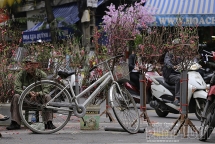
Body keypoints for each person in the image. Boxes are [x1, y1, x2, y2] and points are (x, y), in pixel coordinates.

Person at [6, 56, 56, 130]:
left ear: (36, 65)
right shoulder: (21, 74)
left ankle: (49, 122)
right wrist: (28, 93)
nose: (28, 66)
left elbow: (46, 89)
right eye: (26, 64)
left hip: (39, 100)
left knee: (48, 97)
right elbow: (17, 88)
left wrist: (38, 93)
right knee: (16, 96)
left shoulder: (42, 74)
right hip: (26, 99)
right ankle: (15, 123)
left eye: (30, 64)